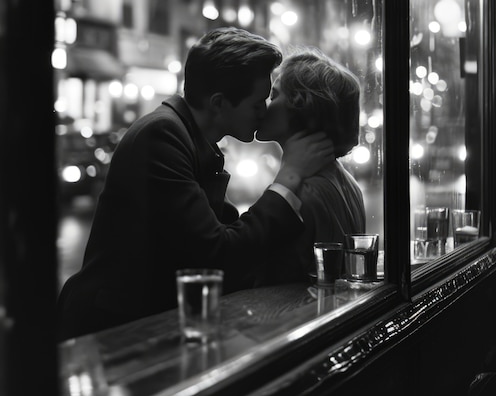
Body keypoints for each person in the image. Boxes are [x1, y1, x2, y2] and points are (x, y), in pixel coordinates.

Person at [57, 28, 334, 340]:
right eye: (258, 102)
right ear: (219, 103)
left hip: (141, 323)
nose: (264, 111)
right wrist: (290, 175)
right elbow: (218, 253)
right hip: (111, 330)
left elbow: (232, 236)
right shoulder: (162, 136)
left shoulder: (190, 137)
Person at [255, 47, 366, 284]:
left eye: (274, 96)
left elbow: (270, 280)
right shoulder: (347, 182)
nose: (264, 105)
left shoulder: (304, 191)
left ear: (302, 106)